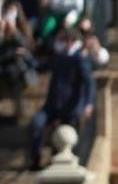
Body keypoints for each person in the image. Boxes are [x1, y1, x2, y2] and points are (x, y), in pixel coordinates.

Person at [27, 27, 94, 171]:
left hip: (70, 108)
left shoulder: (80, 60)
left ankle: (58, 166)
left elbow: (89, 83)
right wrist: (26, 57)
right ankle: (35, 160)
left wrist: (88, 104)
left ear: (71, 41)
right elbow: (39, 66)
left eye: (63, 40)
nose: (61, 43)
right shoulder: (58, 57)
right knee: (36, 124)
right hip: (51, 106)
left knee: (64, 138)